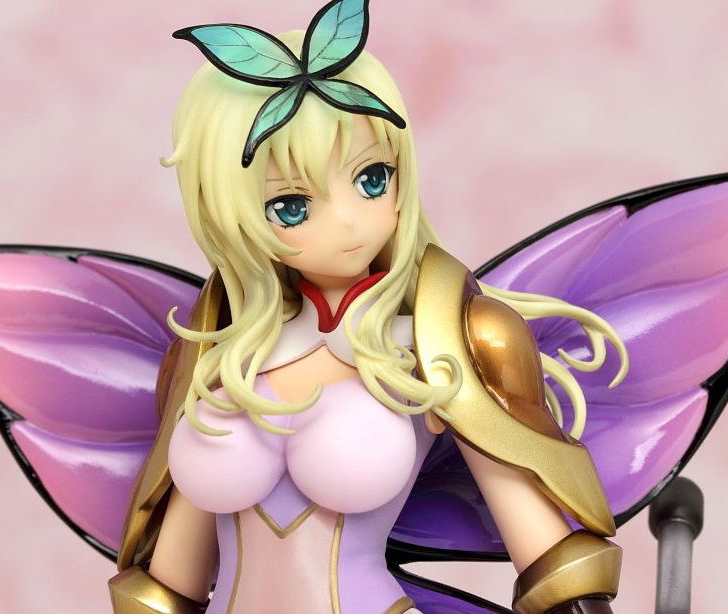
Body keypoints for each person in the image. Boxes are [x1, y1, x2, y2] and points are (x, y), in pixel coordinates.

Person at [108, 2, 628, 612]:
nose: (350, 222)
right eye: (292, 206)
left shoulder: (433, 344)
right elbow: (172, 581)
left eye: (373, 178)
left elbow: (543, 549)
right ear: (229, 211)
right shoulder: (221, 355)